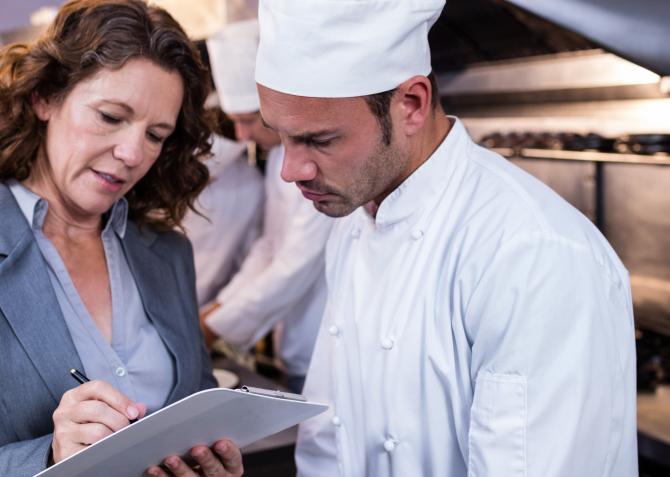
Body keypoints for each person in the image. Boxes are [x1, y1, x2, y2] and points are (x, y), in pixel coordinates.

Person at [255, 1, 638, 476]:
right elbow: (330, 439)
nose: (292, 171)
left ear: (411, 104)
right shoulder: (355, 222)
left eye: (319, 139)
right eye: (281, 137)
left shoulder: (531, 254)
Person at [0, 1, 243, 476]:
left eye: (156, 135)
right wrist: (47, 458)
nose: (132, 153)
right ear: (44, 98)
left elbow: (198, 398)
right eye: (111, 117)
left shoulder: (168, 252)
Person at [201, 18, 333, 393]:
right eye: (234, 122)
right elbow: (269, 246)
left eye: (247, 121)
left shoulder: (314, 162)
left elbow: (294, 264)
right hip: (293, 341)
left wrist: (216, 325)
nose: (241, 136)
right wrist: (218, 310)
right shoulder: (277, 158)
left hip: (324, 346)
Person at [183, 133, 264, 306]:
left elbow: (247, 254)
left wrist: (221, 307)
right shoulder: (156, 173)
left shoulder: (250, 185)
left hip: (206, 302)